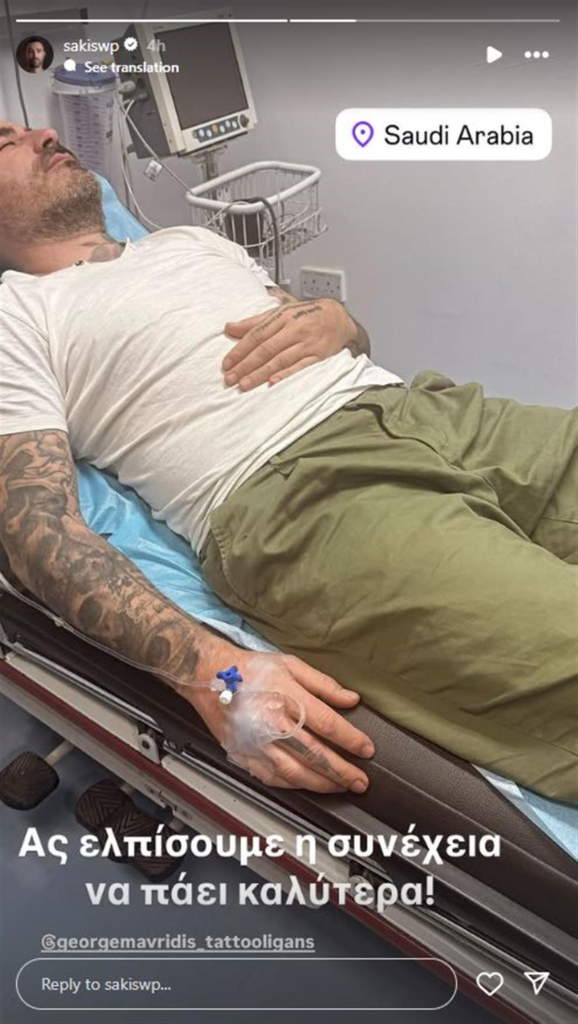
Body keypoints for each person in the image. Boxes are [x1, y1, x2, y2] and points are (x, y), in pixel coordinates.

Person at [0, 121, 576, 803]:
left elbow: (326, 334)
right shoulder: (16, 313)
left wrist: (342, 321)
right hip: (305, 501)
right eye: (5, 141)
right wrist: (217, 676)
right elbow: (34, 527)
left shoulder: (189, 241)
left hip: (420, 409)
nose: (44, 133)